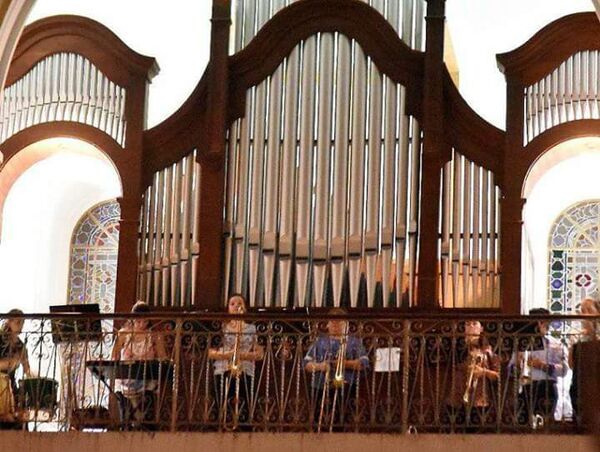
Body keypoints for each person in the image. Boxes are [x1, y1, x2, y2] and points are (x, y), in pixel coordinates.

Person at [303, 308, 369, 431]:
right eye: (332, 322)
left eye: (339, 322)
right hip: (320, 386)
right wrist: (321, 366)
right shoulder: (319, 342)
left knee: (342, 418)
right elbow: (306, 363)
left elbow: (363, 363)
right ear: (327, 324)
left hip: (346, 386)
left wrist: (343, 363)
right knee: (319, 417)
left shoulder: (354, 342)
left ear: (346, 325)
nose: (335, 325)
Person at [208, 294, 263, 429]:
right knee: (220, 399)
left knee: (244, 400)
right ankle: (219, 425)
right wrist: (228, 354)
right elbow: (210, 352)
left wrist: (241, 355)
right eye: (232, 303)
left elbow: (260, 354)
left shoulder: (252, 329)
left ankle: (243, 426)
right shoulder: (221, 328)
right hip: (223, 368)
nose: (236, 306)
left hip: (244, 368)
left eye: (239, 303)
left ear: (244, 307)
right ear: (228, 308)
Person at [111, 301, 167, 429]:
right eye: (138, 321)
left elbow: (163, 357)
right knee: (126, 411)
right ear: (133, 319)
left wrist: (151, 357)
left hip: (146, 378)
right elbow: (114, 356)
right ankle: (127, 425)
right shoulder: (124, 334)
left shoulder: (153, 336)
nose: (142, 324)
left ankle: (144, 425)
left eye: (145, 321)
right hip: (127, 378)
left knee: (147, 401)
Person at [515, 307, 568, 429]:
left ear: (546, 323)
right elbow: (510, 367)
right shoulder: (522, 344)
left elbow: (564, 370)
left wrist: (543, 365)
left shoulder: (554, 344)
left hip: (546, 386)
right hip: (526, 386)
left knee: (545, 425)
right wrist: (518, 362)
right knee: (523, 425)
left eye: (540, 322)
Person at [445, 320, 500, 432]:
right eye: (468, 324)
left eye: (474, 324)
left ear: (481, 329)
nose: (471, 327)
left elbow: (497, 375)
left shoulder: (488, 350)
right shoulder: (456, 346)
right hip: (457, 397)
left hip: (479, 399)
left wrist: (483, 371)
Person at [569, 297, 599, 426]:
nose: (584, 314)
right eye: (582, 310)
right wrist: (571, 346)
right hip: (581, 380)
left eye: (588, 310)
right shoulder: (577, 335)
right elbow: (571, 365)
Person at [0, 309, 31, 429]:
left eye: (22, 323)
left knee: (22, 400)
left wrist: (33, 376)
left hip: (10, 384)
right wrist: (10, 363)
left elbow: (27, 369)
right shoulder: (1, 339)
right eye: (18, 322)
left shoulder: (20, 345)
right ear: (9, 322)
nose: (20, 325)